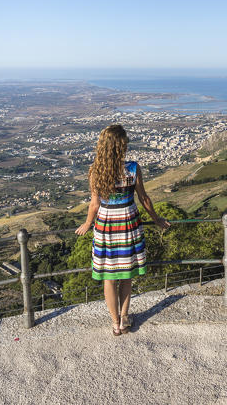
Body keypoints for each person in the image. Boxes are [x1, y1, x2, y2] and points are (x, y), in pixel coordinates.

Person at [75, 123, 170, 335]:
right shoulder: (133, 169)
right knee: (126, 274)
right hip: (128, 221)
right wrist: (156, 219)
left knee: (109, 276)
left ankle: (115, 322)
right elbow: (144, 198)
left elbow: (94, 204)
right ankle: (125, 318)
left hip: (106, 223)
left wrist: (88, 223)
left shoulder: (95, 172)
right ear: (121, 146)